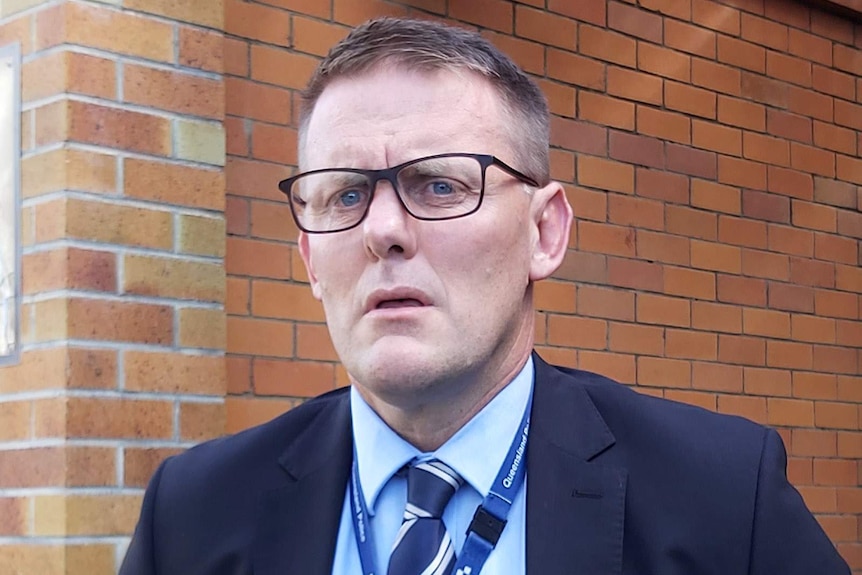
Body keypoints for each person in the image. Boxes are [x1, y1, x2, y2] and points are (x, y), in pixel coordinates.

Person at [120, 17, 850, 575]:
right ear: (309, 256)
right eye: (343, 193)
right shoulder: (191, 514)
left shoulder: (722, 500)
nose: (383, 230)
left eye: (439, 183)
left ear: (545, 232)